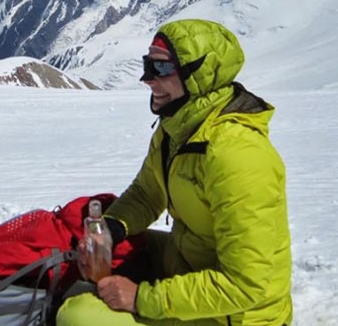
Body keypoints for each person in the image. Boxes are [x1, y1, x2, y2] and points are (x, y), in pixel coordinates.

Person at [57, 19, 292, 326]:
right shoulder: (178, 127)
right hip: (190, 262)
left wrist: (142, 298)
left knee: (77, 318)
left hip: (236, 316)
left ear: (199, 75)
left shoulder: (237, 155)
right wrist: (111, 232)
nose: (148, 79)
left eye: (162, 68)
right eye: (147, 65)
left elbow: (245, 284)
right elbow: (147, 193)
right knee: (88, 250)